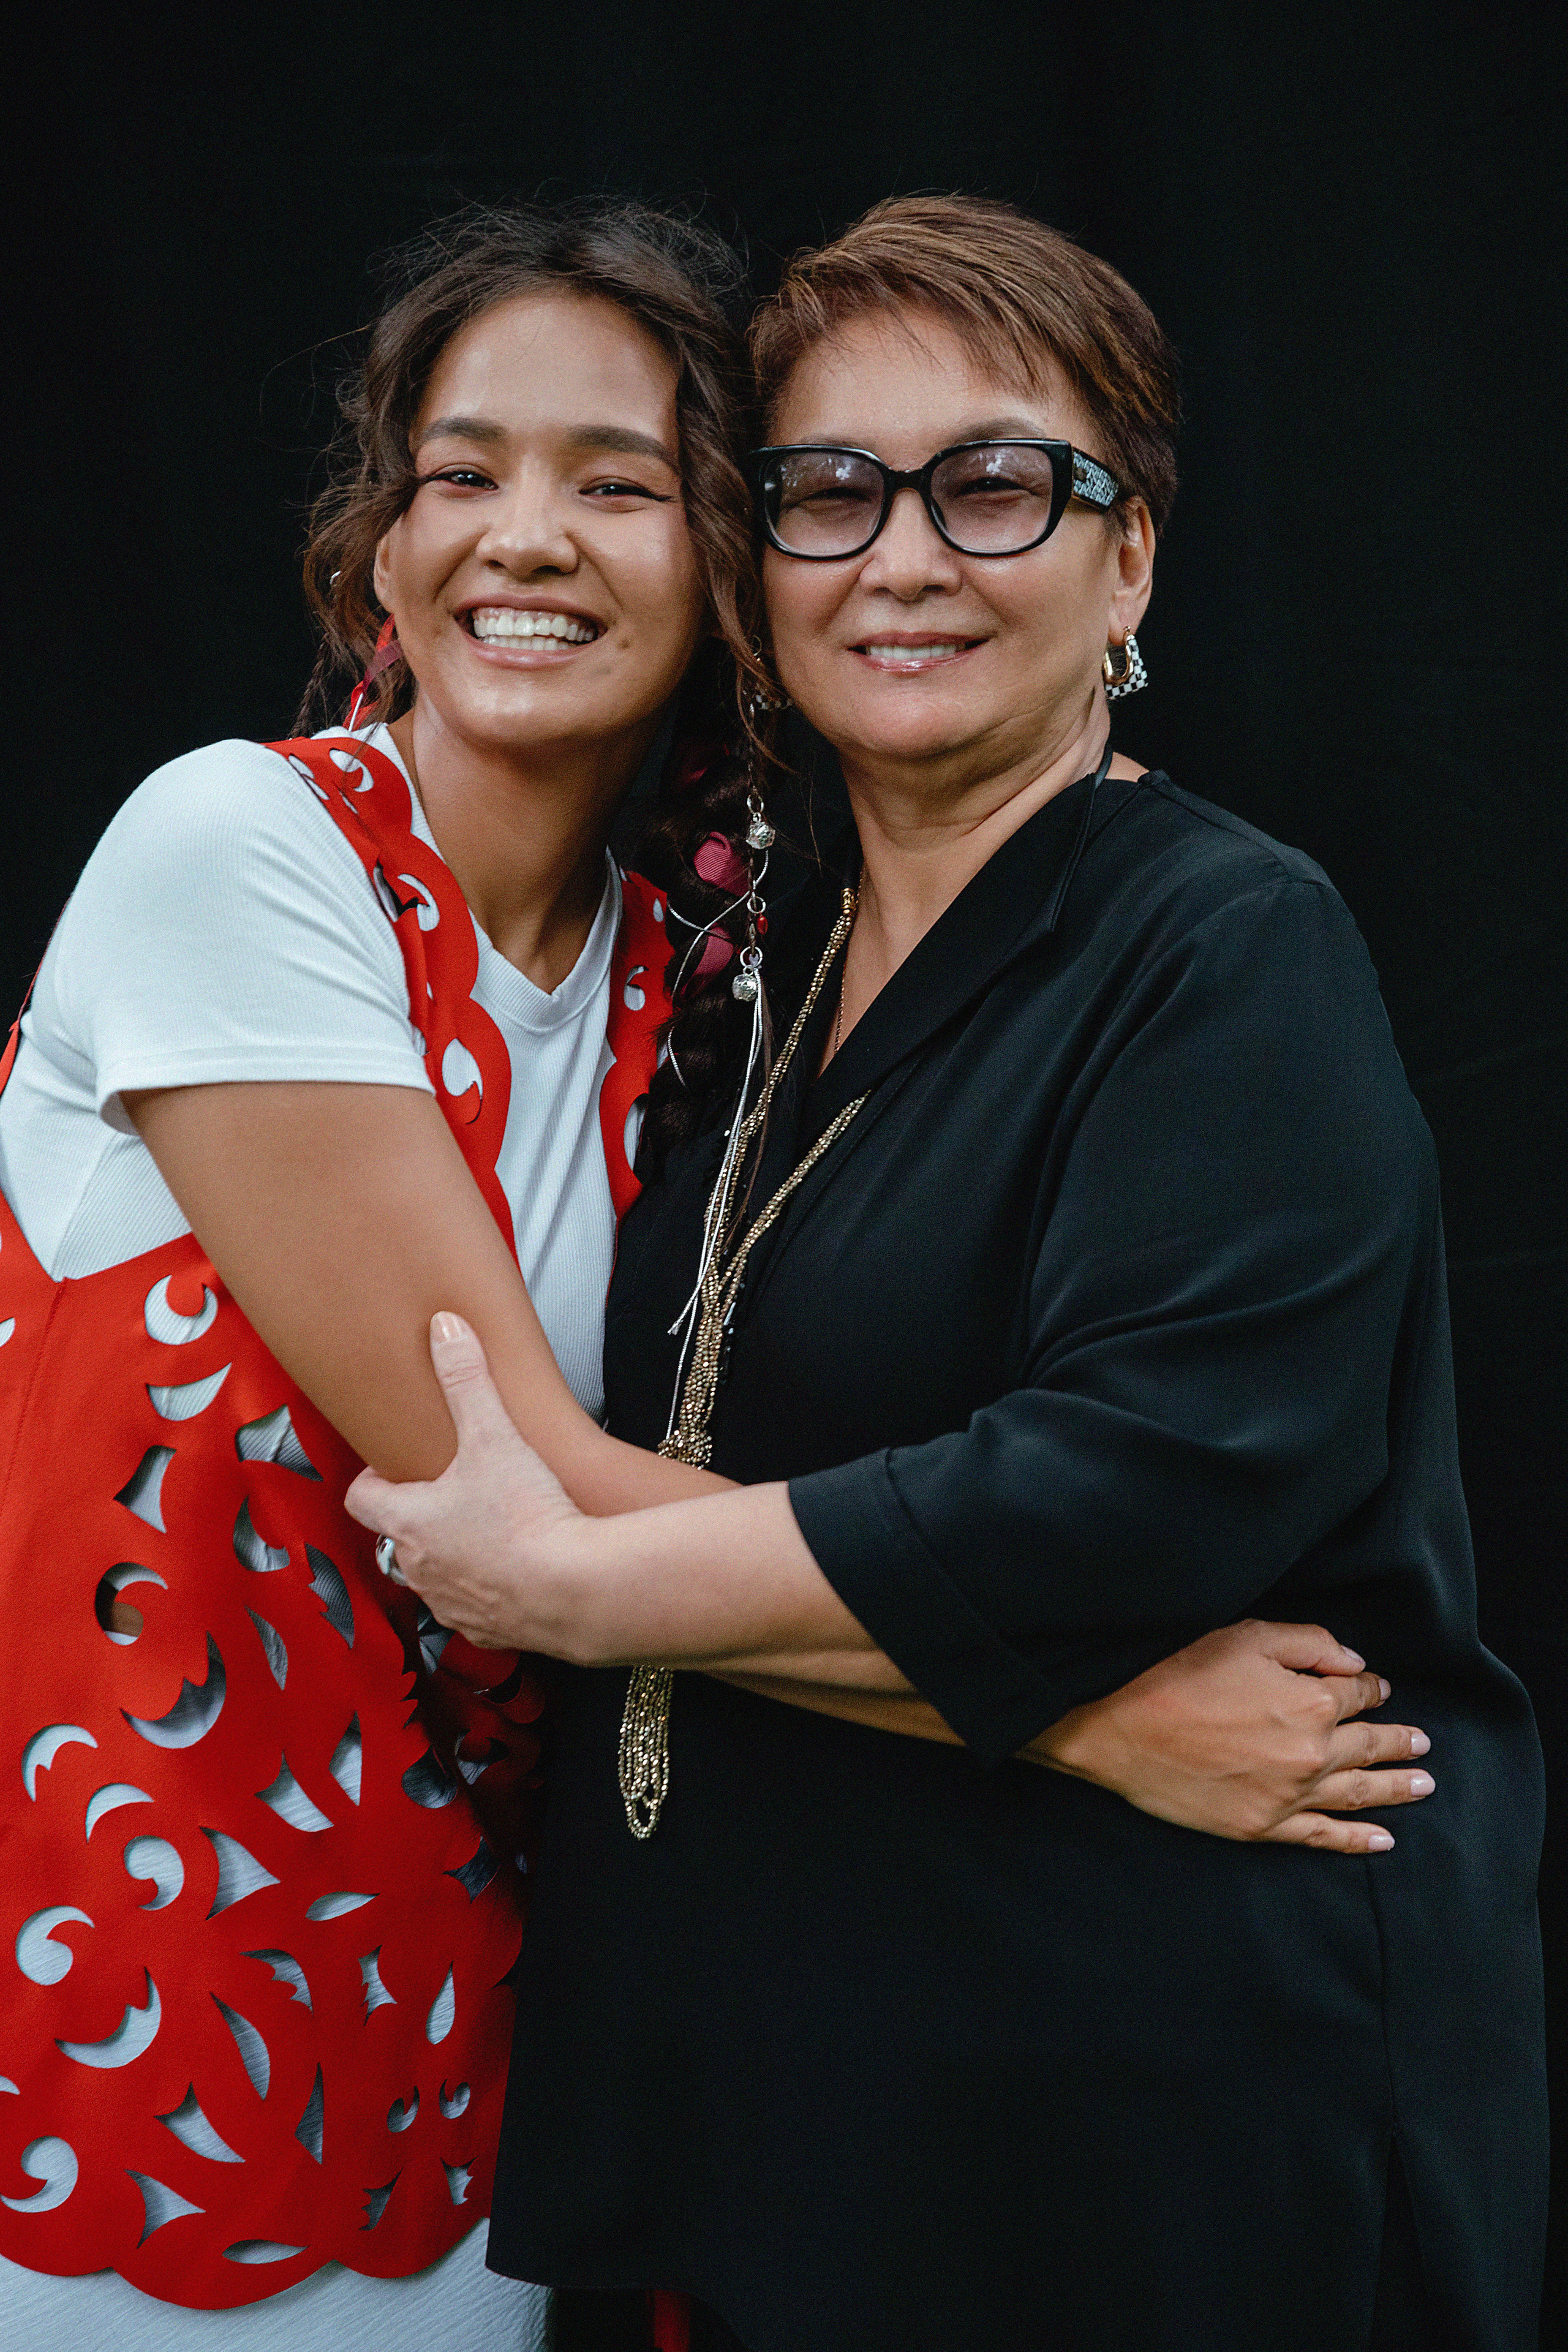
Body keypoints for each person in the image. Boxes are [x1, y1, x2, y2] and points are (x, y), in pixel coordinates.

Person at [0, 190, 1421, 2352]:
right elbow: (512, 1471)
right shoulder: (241, 853)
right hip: (148, 1993)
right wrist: (1090, 1716)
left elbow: (696, 1502)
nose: (526, 537)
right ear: (379, 553)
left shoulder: (713, 988)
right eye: (459, 475)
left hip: (505, 2038)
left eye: (621, 483)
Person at [351, 198, 1549, 2351]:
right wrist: (1087, 1717)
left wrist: (570, 1589)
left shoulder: (1221, 947)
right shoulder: (742, 966)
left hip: (1148, 2114)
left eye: (997, 483)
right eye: (830, 493)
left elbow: (1131, 1490)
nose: (905, 558)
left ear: (1133, 561)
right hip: (818, 2090)